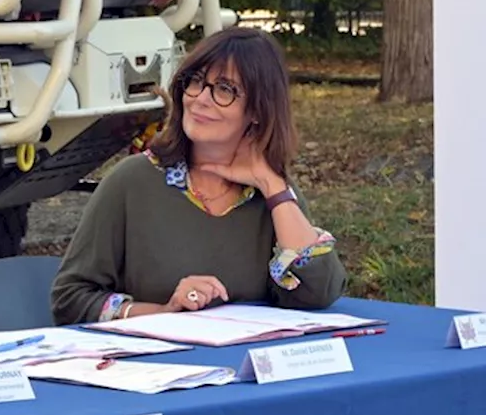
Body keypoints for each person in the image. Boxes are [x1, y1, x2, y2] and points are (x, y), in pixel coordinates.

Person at [49, 26, 347, 325]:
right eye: (195, 81)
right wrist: (163, 312)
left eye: (224, 89)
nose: (201, 99)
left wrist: (272, 185)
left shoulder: (274, 195)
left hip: (247, 364)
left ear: (258, 110)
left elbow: (317, 293)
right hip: (152, 366)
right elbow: (70, 298)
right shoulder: (132, 182)